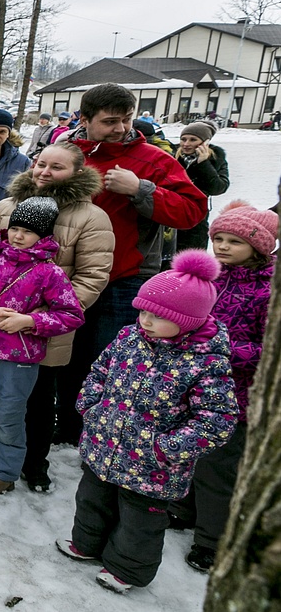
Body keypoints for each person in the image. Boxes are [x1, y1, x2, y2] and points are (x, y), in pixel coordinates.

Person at [56, 250, 238, 594]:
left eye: (157, 315)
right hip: (104, 443)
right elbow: (100, 369)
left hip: (152, 465)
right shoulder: (130, 338)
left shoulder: (204, 363)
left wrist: (166, 447)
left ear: (188, 320)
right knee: (93, 499)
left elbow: (217, 420)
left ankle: (128, 570)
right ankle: (87, 543)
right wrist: (91, 404)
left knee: (140, 520)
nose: (145, 320)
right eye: (143, 311)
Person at [54, 83, 208, 446]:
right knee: (66, 357)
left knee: (111, 361)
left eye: (126, 119)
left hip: (125, 277)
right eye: (110, 122)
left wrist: (141, 189)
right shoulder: (66, 153)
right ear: (85, 120)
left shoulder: (153, 159)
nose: (121, 128)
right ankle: (68, 427)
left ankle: (102, 432)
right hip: (68, 276)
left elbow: (193, 211)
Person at [0, 142, 114, 493]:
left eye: (57, 167)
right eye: (40, 164)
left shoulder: (89, 217)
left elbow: (92, 277)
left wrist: (37, 318)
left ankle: (34, 465)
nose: (45, 172)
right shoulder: (7, 206)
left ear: (77, 172)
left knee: (33, 404)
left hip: (43, 332)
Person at [171, 202, 276, 572]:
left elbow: (271, 349)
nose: (223, 247)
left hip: (236, 397)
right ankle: (184, 510)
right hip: (192, 387)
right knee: (188, 453)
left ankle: (213, 539)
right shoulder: (210, 278)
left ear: (260, 247)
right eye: (218, 238)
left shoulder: (269, 291)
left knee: (218, 469)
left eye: (234, 241)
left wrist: (221, 348)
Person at [0, 197, 85, 496]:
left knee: (9, 414)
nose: (18, 235)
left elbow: (71, 314)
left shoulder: (49, 272)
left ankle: (2, 471)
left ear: (43, 236)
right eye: (14, 228)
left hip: (20, 358)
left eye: (27, 231)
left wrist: (29, 321)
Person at [175, 120, 230, 251]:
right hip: (171, 216)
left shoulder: (215, 159)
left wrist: (204, 164)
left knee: (192, 260)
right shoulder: (172, 157)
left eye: (193, 140)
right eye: (183, 139)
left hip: (196, 220)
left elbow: (219, 188)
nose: (186, 144)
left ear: (205, 142)